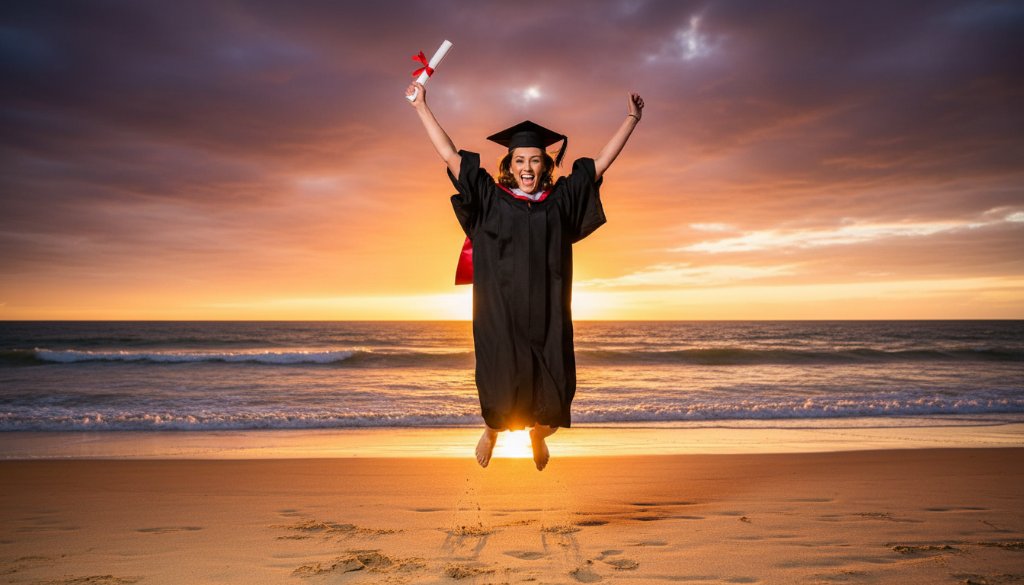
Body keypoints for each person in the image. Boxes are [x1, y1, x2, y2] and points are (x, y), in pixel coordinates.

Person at [406, 80, 643, 470]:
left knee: (556, 391)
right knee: (501, 383)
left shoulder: (560, 200)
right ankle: (492, 432)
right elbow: (449, 153)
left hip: (548, 316)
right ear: (509, 165)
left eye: (535, 160)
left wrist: (631, 120)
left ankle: (538, 434)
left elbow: (599, 164)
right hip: (502, 315)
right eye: (520, 160)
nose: (528, 168)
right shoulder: (489, 197)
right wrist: (421, 106)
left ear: (546, 165)